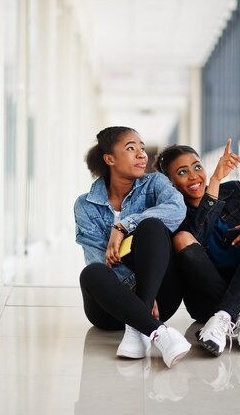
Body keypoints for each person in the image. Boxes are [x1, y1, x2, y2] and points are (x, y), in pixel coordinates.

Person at [74, 126, 191, 368]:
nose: (141, 154)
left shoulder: (155, 183)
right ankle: (159, 333)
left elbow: (177, 209)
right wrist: (133, 292)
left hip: (160, 297)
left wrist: (124, 225)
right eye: (130, 148)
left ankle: (140, 327)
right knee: (92, 272)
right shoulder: (85, 205)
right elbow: (97, 258)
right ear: (110, 159)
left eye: (141, 147)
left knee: (152, 227)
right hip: (109, 309)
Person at [155, 140, 240, 357]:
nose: (194, 176)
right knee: (182, 238)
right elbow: (197, 237)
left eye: (197, 167)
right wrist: (214, 181)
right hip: (206, 304)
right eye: (183, 172)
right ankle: (235, 314)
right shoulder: (175, 213)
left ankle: (227, 315)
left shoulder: (235, 191)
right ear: (170, 183)